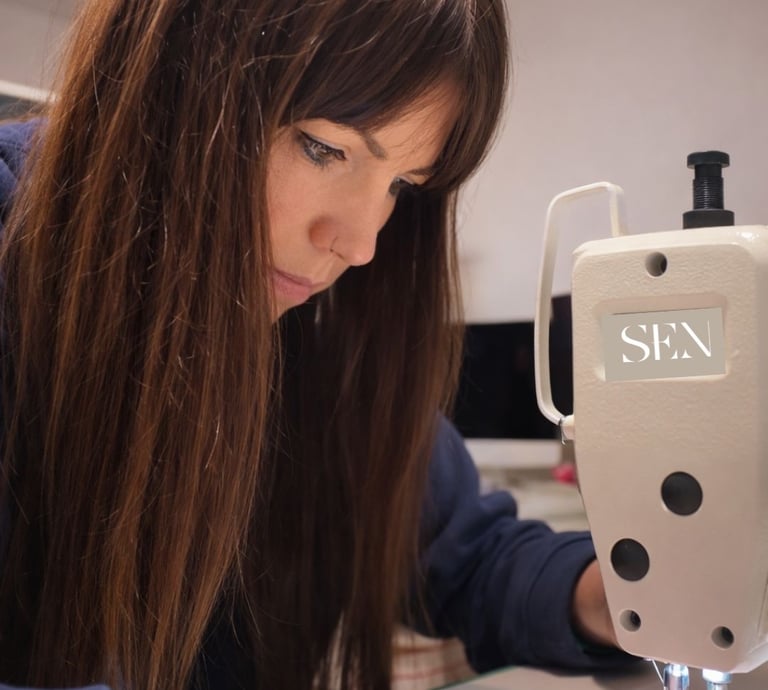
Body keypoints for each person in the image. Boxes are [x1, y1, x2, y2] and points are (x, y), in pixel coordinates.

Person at [0, 1, 632, 689]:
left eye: (402, 187)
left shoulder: (315, 337)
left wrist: (615, 597)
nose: (360, 245)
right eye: (324, 148)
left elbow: (466, 554)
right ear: (175, 70)